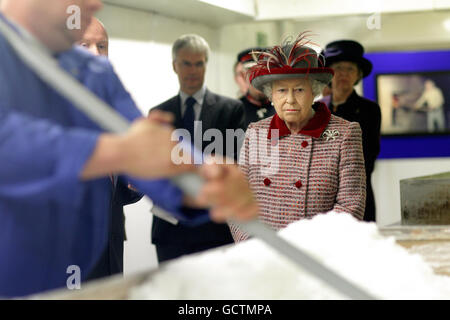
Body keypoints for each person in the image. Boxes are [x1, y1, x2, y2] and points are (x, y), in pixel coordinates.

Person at [0, 0, 258, 298]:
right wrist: (119, 151)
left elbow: (144, 143)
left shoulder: (95, 74)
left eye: (102, 45)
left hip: (96, 260)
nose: (95, 3)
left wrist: (203, 182)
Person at [230, 32, 366, 242]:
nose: (290, 100)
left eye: (299, 90)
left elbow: (351, 205)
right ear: (271, 95)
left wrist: (311, 246)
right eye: (282, 90)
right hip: (263, 254)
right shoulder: (256, 132)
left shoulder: (344, 133)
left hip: (320, 254)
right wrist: (252, 245)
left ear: (315, 91)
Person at [150, 34, 247, 263]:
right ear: (175, 66)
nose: (192, 70)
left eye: (199, 63)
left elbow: (234, 163)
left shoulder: (231, 110)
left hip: (214, 228)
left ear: (206, 64)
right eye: (186, 63)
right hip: (170, 229)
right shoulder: (159, 114)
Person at [75, 17, 143, 280]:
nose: (96, 54)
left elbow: (117, 186)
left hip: (110, 250)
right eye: (84, 45)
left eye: (102, 46)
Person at [321, 40, 381, 222]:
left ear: (358, 75)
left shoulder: (369, 109)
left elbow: (369, 153)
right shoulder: (318, 107)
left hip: (356, 190)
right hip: (321, 194)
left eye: (350, 69)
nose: (343, 74)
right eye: (338, 68)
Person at [236, 47, 276, 129]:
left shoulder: (282, 107)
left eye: (264, 73)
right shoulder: (235, 111)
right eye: (254, 73)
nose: (259, 79)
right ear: (244, 76)